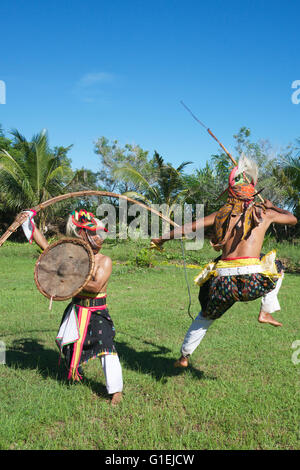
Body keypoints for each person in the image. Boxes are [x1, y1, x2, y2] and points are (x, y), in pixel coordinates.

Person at [151, 155, 297, 368]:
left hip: (224, 283)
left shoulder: (221, 214)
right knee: (278, 267)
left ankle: (184, 356)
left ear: (231, 193)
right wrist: (274, 207)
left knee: (205, 317)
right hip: (252, 282)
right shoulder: (264, 213)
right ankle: (265, 311)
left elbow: (188, 227)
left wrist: (161, 238)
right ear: (253, 193)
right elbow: (293, 219)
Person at [20, 208, 123, 405]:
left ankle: (116, 391)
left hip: (96, 311)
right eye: (94, 233)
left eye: (100, 234)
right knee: (68, 344)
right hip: (76, 310)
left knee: (106, 347)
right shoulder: (72, 256)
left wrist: (67, 277)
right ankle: (76, 373)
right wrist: (29, 222)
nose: (99, 238)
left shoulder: (104, 261)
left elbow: (95, 286)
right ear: (82, 234)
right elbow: (47, 249)